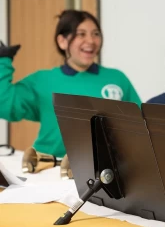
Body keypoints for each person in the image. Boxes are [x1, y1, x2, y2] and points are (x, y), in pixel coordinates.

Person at [0, 10, 141, 158]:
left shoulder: (117, 79)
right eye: (81, 34)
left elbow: (139, 125)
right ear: (62, 41)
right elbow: (5, 105)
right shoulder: (42, 80)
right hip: (50, 167)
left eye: (96, 34)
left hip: (105, 169)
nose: (91, 41)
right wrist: (2, 62)